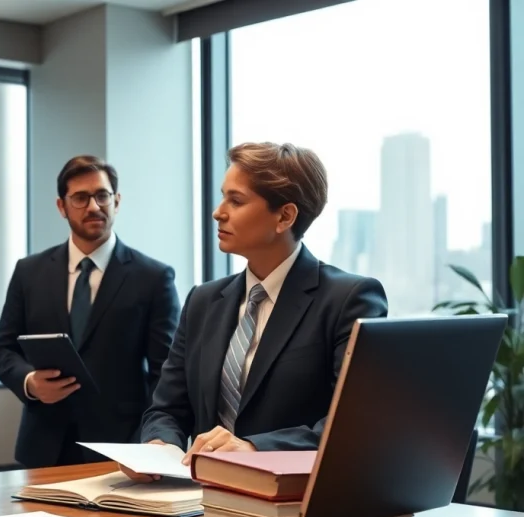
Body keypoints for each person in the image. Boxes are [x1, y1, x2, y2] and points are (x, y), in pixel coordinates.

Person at [124, 141, 388, 482]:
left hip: (294, 501)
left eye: (236, 200)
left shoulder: (347, 298)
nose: (219, 212)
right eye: (223, 197)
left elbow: (352, 426)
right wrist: (159, 446)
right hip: (203, 498)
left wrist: (253, 449)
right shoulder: (203, 301)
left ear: (285, 216)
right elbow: (166, 408)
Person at [0, 155, 181, 468]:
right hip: (43, 447)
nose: (93, 207)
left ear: (116, 201)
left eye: (102, 195)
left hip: (122, 449)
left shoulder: (153, 278)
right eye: (80, 198)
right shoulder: (29, 272)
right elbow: (2, 350)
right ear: (61, 206)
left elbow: (166, 373)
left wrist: (150, 444)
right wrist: (29, 382)